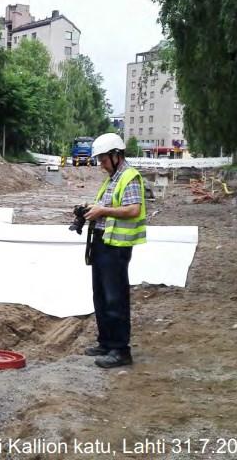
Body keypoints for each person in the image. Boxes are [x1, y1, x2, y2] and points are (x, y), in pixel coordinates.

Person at [82, 133, 146, 369]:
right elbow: (109, 206)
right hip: (102, 242)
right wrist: (91, 209)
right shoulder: (112, 178)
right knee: (100, 295)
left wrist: (102, 211)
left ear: (116, 155)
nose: (101, 164)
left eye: (103, 159)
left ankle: (120, 349)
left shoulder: (129, 177)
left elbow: (132, 210)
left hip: (116, 247)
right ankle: (106, 342)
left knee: (115, 297)